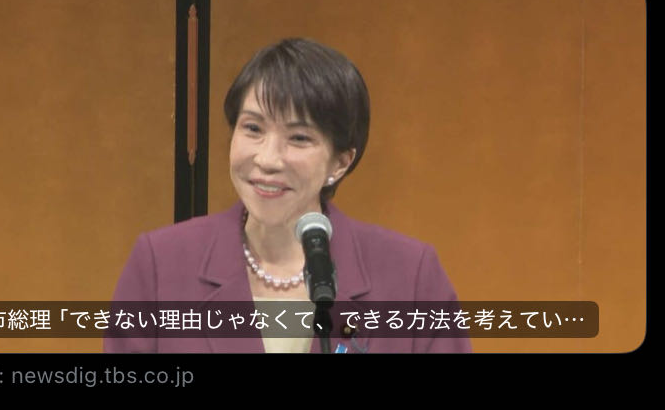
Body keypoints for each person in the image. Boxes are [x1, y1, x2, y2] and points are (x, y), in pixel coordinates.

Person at [105, 38, 470, 353]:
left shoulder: (412, 276)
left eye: (298, 137)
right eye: (253, 128)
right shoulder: (160, 264)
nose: (267, 159)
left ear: (341, 162)